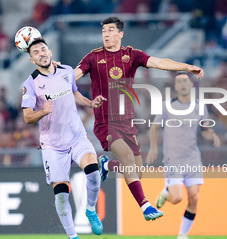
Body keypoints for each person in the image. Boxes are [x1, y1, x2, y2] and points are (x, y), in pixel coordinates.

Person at [73, 16, 204, 221]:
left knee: (137, 172)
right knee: (126, 157)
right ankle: (146, 206)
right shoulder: (93, 57)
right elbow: (74, 75)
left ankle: (107, 165)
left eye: (110, 30)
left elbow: (160, 62)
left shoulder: (132, 55)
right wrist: (56, 76)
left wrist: (185, 67)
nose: (106, 34)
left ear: (120, 34)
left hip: (127, 122)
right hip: (105, 122)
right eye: (103, 31)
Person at [21, 38, 106, 239]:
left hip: (76, 136)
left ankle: (90, 209)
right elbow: (27, 117)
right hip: (52, 146)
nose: (41, 53)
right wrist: (43, 111)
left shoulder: (67, 70)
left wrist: (90, 103)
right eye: (36, 52)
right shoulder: (30, 83)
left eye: (43, 49)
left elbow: (74, 93)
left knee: (94, 171)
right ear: (32, 59)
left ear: (50, 52)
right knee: (61, 194)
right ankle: (73, 238)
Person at [146, 71, 221, 239]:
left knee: (194, 197)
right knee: (177, 198)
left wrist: (212, 135)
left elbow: (205, 130)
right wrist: (153, 147)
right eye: (179, 82)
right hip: (173, 158)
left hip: (193, 158)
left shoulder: (200, 107)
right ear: (176, 86)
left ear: (190, 84)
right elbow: (154, 127)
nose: (182, 84)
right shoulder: (167, 106)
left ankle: (182, 234)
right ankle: (167, 192)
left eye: (185, 81)